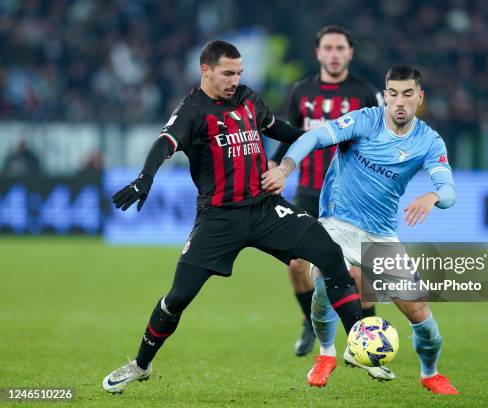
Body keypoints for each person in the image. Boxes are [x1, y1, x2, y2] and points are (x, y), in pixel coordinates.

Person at [101, 40, 364, 394]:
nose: (235, 80)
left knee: (330, 254)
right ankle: (141, 364)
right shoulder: (193, 110)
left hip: (265, 207)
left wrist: (322, 139)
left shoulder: (248, 98)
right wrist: (145, 178)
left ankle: (361, 346)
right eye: (228, 73)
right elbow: (165, 143)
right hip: (219, 218)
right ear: (205, 70)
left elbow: (278, 128)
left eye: (239, 73)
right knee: (177, 297)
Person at [262, 65, 459, 394]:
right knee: (324, 283)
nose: (399, 101)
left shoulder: (428, 141)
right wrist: (285, 168)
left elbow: (449, 190)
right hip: (337, 224)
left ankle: (430, 373)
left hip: (380, 235)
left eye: (407, 94)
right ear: (386, 94)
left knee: (421, 316)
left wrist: (433, 194)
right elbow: (314, 136)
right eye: (393, 93)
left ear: (419, 97)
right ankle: (326, 354)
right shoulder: (365, 120)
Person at [270, 25, 382, 358]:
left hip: (353, 196)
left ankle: (367, 334)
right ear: (318, 53)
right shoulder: (301, 91)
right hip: (308, 193)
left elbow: (381, 141)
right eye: (328, 48)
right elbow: (291, 137)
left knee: (359, 270)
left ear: (350, 52)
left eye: (340, 48)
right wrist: (276, 168)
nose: (334, 54)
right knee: (295, 266)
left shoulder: (366, 94)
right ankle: (310, 321)